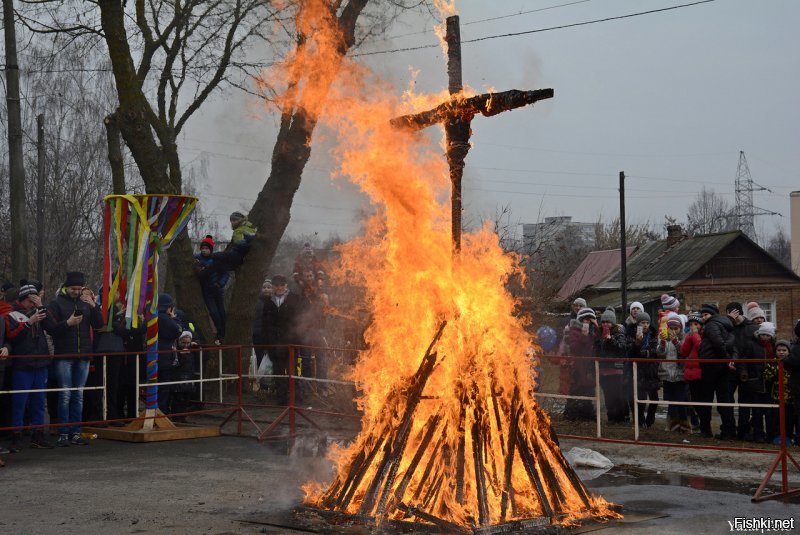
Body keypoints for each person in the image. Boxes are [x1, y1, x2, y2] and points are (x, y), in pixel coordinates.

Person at [43, 272, 103, 447]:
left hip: (83, 355)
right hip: (64, 355)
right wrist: (67, 323)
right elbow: (50, 327)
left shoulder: (85, 304)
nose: (76, 292)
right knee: (65, 394)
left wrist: (93, 306)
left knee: (78, 394)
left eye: (79, 288)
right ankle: (63, 432)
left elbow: (99, 325)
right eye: (73, 288)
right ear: (66, 287)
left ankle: (75, 431)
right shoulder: (56, 304)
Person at [4, 283, 54, 451]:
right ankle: (16, 436)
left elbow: (52, 327)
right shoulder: (11, 314)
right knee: (20, 402)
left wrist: (41, 306)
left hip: (41, 362)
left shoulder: (41, 311)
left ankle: (38, 435)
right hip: (22, 365)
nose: (34, 303)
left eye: (36, 299)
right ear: (24, 300)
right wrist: (28, 323)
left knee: (39, 403)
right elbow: (12, 337)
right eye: (32, 300)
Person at [696, 303, 738, 439]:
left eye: (705, 315)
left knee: (706, 399)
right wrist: (729, 360)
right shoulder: (727, 325)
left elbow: (718, 343)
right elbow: (731, 345)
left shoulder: (712, 325)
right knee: (724, 400)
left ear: (713, 315)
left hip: (711, 365)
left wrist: (725, 359)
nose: (703, 318)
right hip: (721, 367)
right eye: (702, 315)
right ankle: (729, 430)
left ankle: (705, 430)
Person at [261, 275, 302, 406]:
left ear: (286, 286)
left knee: (293, 371)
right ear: (273, 286)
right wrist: (267, 342)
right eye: (276, 285)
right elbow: (265, 323)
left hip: (291, 342)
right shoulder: (267, 302)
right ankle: (281, 399)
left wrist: (297, 340)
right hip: (274, 343)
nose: (279, 288)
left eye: (281, 285)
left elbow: (300, 321)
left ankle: (295, 398)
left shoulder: (295, 299)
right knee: (278, 371)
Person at [740, 321, 774, 443]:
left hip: (769, 383)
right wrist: (744, 373)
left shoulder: (773, 347)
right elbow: (744, 360)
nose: (765, 337)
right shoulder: (751, 344)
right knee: (757, 411)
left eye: (768, 335)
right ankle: (758, 434)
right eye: (763, 334)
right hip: (755, 382)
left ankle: (770, 435)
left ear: (771, 337)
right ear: (759, 334)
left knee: (770, 411)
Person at [594, 307, 629, 423]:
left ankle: (620, 418)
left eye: (608, 322)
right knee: (607, 395)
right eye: (603, 322)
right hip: (603, 369)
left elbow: (622, 348)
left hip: (616, 369)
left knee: (617, 395)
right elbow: (596, 351)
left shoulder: (619, 332)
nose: (605, 324)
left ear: (613, 323)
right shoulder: (599, 334)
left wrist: (611, 340)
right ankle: (611, 418)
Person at [193, 235, 230, 343]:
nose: (204, 251)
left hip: (217, 290)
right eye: (202, 248)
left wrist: (220, 284)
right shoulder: (197, 259)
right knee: (214, 313)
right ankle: (219, 332)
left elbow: (225, 274)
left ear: (211, 249)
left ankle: (223, 333)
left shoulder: (217, 259)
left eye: (207, 248)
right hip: (207, 291)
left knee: (222, 312)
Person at [657, 312, 689, 432]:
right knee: (670, 401)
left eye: (676, 328)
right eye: (671, 328)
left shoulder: (684, 338)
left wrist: (676, 341)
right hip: (667, 374)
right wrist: (663, 342)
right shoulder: (664, 338)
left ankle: (685, 426)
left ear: (680, 328)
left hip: (680, 374)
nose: (673, 331)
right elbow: (660, 353)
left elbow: (684, 352)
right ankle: (672, 425)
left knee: (681, 401)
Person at [564, 307, 597, 420]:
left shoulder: (594, 332)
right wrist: (583, 336)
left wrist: (596, 326)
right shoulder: (574, 331)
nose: (587, 322)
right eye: (585, 319)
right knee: (576, 390)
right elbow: (574, 348)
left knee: (589, 391)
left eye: (589, 319)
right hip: (577, 366)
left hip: (589, 367)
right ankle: (571, 415)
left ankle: (587, 415)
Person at [627, 311, 659, 429]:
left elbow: (655, 351)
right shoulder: (631, 335)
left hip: (651, 371)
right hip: (638, 371)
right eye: (642, 322)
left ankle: (650, 419)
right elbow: (631, 353)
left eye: (647, 323)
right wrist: (637, 343)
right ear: (637, 324)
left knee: (654, 398)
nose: (645, 325)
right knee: (640, 398)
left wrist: (645, 353)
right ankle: (640, 421)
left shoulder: (653, 335)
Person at [156, 294, 183, 415]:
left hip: (155, 357)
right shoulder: (166, 320)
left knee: (156, 387)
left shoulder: (154, 317)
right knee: (164, 388)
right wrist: (175, 319)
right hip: (164, 358)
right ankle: (162, 412)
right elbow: (178, 330)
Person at [681, 312, 704, 432]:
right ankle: (696, 423)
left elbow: (701, 348)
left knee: (699, 401)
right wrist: (689, 337)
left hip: (699, 373)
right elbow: (683, 352)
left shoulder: (702, 335)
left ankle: (703, 425)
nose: (693, 326)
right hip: (689, 373)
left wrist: (694, 335)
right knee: (690, 400)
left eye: (696, 324)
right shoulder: (691, 335)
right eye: (691, 324)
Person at [170, 331, 198, 422]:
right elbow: (175, 364)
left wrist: (195, 345)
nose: (186, 345)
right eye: (183, 343)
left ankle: (182, 416)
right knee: (178, 398)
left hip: (189, 377)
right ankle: (177, 417)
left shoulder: (192, 350)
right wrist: (181, 355)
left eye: (188, 343)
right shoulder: (175, 351)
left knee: (186, 398)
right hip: (178, 377)